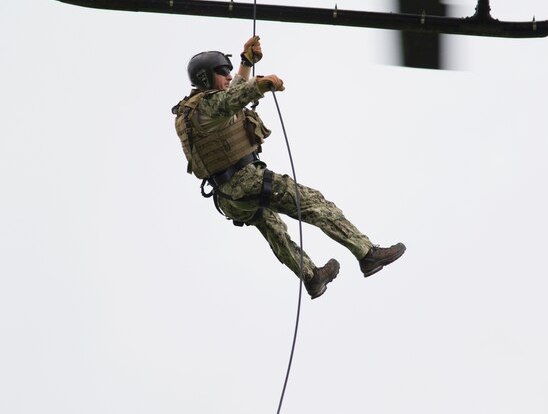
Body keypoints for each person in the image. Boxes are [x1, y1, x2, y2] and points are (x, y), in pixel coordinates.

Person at [172, 36, 405, 299]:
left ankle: (312, 277)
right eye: (221, 72)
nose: (227, 76)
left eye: (228, 71)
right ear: (205, 79)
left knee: (275, 230)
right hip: (245, 180)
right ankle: (367, 254)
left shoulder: (194, 110)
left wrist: (246, 63)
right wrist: (261, 85)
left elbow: (231, 95)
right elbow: (232, 99)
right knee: (314, 204)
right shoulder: (208, 106)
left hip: (228, 197)